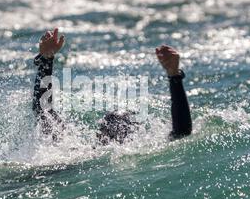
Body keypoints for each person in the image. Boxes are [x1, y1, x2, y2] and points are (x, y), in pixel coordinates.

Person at [32, 28, 192, 144]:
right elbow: (181, 133)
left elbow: (43, 111)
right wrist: (174, 76)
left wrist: (46, 61)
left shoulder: (76, 152)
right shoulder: (79, 150)